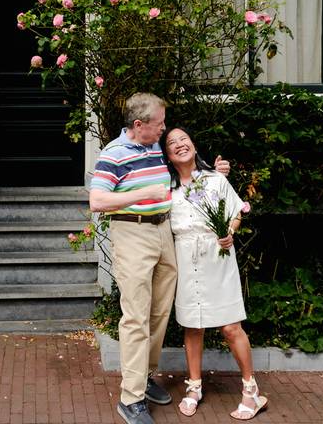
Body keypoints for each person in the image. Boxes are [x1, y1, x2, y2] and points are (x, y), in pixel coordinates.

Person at [89, 93, 229, 424]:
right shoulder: (114, 154)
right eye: (159, 124)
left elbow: (186, 165)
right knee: (136, 316)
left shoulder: (154, 145)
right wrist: (141, 194)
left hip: (165, 231)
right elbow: (96, 200)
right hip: (133, 233)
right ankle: (131, 398)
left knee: (160, 311)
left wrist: (215, 169)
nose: (164, 129)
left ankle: (144, 376)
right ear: (139, 126)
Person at [159, 126, 268, 421]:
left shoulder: (215, 179)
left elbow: (235, 213)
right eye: (172, 142)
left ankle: (251, 390)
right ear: (167, 154)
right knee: (192, 327)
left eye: (185, 139)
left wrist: (229, 233)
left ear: (194, 145)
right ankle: (194, 386)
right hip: (184, 258)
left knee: (231, 327)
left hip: (216, 257)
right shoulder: (166, 187)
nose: (180, 144)